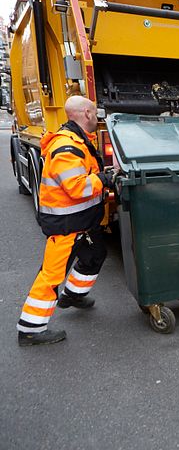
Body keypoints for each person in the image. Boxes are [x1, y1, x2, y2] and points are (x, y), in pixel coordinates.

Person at [17, 96, 116, 346]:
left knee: (95, 254)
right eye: (94, 113)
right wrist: (105, 179)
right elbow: (77, 188)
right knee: (51, 275)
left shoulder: (79, 140)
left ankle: (73, 295)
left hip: (80, 221)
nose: (97, 117)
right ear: (85, 113)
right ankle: (30, 329)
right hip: (66, 225)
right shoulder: (66, 147)